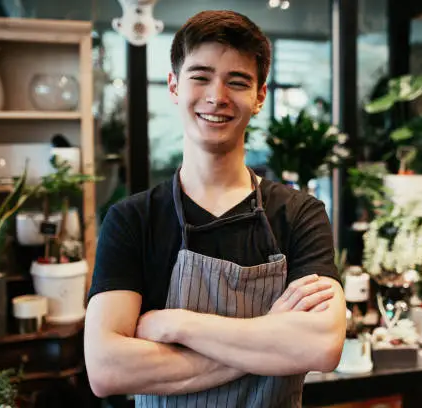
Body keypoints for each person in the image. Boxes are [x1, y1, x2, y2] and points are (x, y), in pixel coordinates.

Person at [84, 10, 346, 408]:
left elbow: (322, 346)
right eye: (200, 76)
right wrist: (273, 339)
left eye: (237, 81)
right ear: (174, 85)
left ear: (260, 96)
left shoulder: (299, 214)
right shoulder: (132, 220)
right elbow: (106, 370)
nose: (217, 96)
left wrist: (177, 325)